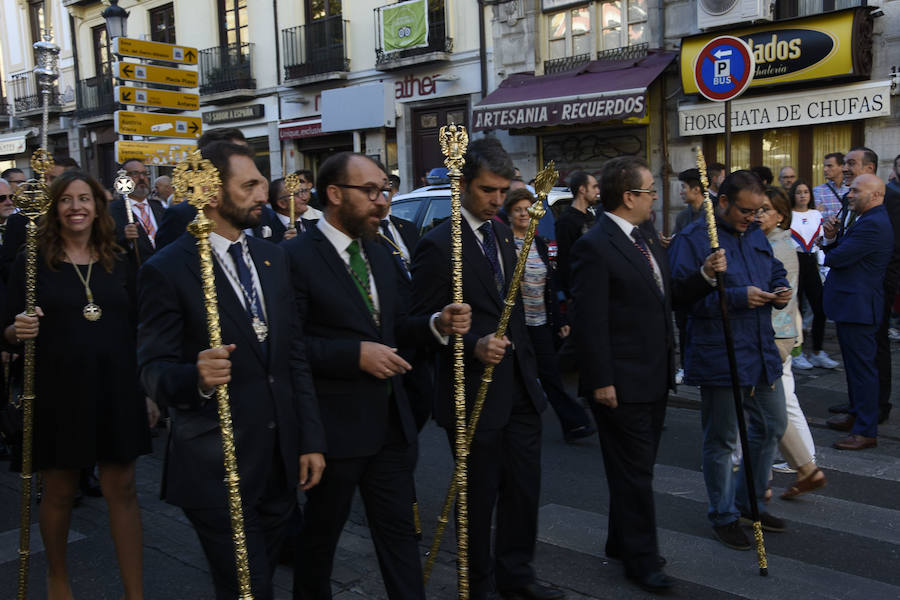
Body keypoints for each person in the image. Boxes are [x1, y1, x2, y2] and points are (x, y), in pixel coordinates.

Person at [137, 141, 327, 599]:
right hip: (216, 463)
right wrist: (195, 378)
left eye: (262, 182)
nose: (265, 193)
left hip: (279, 458)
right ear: (210, 192)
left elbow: (293, 356)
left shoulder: (273, 258)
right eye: (250, 184)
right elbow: (152, 369)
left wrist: (309, 439)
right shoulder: (168, 268)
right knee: (247, 586)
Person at [285, 152, 470, 600]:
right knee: (321, 538)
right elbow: (288, 347)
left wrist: (435, 324)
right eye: (370, 191)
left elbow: (397, 326)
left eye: (385, 190)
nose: (382, 201)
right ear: (334, 195)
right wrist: (354, 355)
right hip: (333, 429)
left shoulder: (380, 253)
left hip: (389, 425)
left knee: (399, 536)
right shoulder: (293, 257)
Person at [411, 137, 564, 600]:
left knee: (523, 490)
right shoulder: (438, 244)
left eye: (503, 190)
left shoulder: (502, 234)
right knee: (478, 498)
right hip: (471, 391)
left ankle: (518, 574)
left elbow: (513, 309)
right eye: (487, 191)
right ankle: (478, 584)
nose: (498, 200)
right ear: (461, 185)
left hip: (519, 387)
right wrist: (472, 343)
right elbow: (414, 322)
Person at [570, 156, 724, 593]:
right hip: (620, 380)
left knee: (633, 469)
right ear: (629, 197)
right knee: (635, 474)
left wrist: (704, 277)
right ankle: (641, 560)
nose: (656, 197)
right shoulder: (595, 245)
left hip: (655, 375)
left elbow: (665, 297)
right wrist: (600, 379)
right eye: (650, 190)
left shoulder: (648, 237)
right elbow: (589, 319)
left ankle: (621, 541)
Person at [5, 170, 151, 600]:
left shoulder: (119, 258)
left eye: (84, 198)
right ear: (54, 208)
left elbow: (136, 324)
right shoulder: (32, 262)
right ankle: (59, 579)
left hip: (117, 386)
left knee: (121, 487)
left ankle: (135, 592)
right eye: (66, 199)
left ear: (98, 206)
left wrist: (146, 389)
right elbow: (8, 328)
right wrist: (19, 330)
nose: (76, 207)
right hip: (59, 389)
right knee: (61, 489)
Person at [669, 170, 790, 551]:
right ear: (723, 202)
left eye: (758, 211)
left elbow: (773, 268)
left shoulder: (753, 232)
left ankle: (749, 501)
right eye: (745, 210)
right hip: (719, 351)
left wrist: (779, 288)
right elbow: (679, 299)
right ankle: (723, 513)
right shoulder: (692, 239)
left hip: (760, 349)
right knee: (721, 438)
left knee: (772, 425)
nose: (752, 218)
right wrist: (738, 297)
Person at [505, 188, 594, 442]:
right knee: (515, 378)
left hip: (541, 322)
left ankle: (574, 423)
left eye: (528, 209)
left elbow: (550, 285)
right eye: (518, 210)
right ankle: (513, 425)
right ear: (510, 214)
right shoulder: (505, 245)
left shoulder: (539, 243)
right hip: (516, 326)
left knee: (551, 375)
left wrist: (561, 320)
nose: (524, 214)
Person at [757, 187, 827, 498]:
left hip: (773, 336)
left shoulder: (778, 245)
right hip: (779, 334)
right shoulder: (775, 241)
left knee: (773, 404)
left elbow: (778, 295)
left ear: (780, 215)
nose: (757, 215)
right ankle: (804, 464)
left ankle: (783, 472)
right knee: (781, 400)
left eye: (765, 210)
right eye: (756, 209)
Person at [828, 147, 900, 424]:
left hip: (873, 288)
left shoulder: (887, 201)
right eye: (844, 163)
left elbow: (891, 249)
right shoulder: (851, 199)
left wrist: (881, 285)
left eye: (851, 163)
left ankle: (875, 408)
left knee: (872, 352)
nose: (845, 168)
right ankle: (858, 404)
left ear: (869, 169)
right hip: (852, 289)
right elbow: (844, 241)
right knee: (856, 356)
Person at [822, 174, 893, 450]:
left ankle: (866, 430)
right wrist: (833, 237)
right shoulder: (866, 219)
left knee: (863, 370)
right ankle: (856, 416)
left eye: (855, 191)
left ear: (875, 195)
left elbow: (837, 257)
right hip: (853, 305)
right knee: (855, 369)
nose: (849, 194)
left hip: (860, 307)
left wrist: (830, 241)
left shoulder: (873, 224)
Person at [155, 128, 249, 250]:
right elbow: (165, 263)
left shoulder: (257, 209)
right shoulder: (182, 216)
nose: (246, 162)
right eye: (238, 155)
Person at [787, 179, 839, 370]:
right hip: (794, 262)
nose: (802, 195)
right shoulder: (787, 215)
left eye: (806, 192)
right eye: (799, 192)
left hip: (812, 262)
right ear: (793, 195)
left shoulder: (816, 214)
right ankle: (796, 353)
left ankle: (817, 351)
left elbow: (821, 240)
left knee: (820, 308)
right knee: (796, 310)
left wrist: (823, 264)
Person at [109, 158, 165, 265]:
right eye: (135, 174)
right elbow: (107, 246)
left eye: (145, 173)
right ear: (123, 179)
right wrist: (125, 239)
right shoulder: (112, 211)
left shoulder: (159, 208)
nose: (142, 178)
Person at [554, 170, 598, 300]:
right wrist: (571, 295)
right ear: (582, 189)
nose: (598, 191)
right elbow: (564, 261)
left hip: (594, 287)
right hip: (579, 292)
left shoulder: (590, 216)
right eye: (594, 187)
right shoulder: (566, 221)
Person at [255, 177, 317, 244]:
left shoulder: (315, 226)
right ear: (282, 203)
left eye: (304, 191)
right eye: (297, 194)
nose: (305, 198)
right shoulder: (265, 231)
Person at [812, 153, 847, 222]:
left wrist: (828, 213)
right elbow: (816, 215)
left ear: (842, 167)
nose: (825, 169)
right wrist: (844, 213)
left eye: (829, 166)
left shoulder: (851, 188)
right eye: (824, 166)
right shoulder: (818, 190)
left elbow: (856, 213)